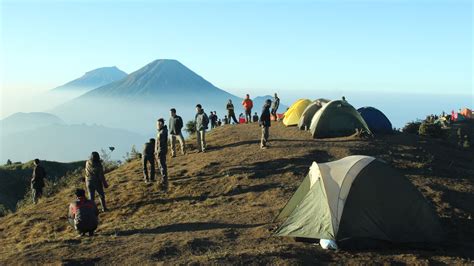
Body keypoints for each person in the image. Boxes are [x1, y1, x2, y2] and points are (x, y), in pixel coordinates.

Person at [156, 118, 169, 190]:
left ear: (161, 124)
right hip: (161, 151)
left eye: (158, 124)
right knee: (162, 165)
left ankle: (164, 180)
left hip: (161, 151)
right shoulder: (161, 131)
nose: (157, 125)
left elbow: (160, 144)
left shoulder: (162, 132)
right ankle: (164, 178)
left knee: (162, 165)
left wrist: (158, 152)